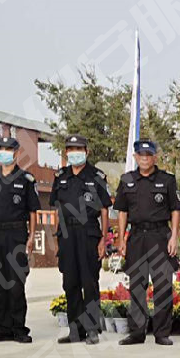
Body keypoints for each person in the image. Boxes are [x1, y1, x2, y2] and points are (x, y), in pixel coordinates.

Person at [113, 140, 180, 346]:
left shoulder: (167, 180)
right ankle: (137, 333)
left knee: (162, 285)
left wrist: (174, 236)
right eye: (141, 155)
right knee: (137, 286)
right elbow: (122, 211)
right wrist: (121, 239)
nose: (144, 159)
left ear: (155, 157)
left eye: (148, 155)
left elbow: (176, 209)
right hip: (136, 237)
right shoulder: (127, 180)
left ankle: (162, 333)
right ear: (135, 157)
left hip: (160, 236)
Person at [0, 136, 39, 344]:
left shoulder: (26, 180)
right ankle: (2, 329)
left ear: (16, 153)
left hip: (16, 235)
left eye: (8, 149)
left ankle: (19, 329)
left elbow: (33, 212)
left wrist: (31, 237)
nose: (3, 152)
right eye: (0, 149)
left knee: (15, 283)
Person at [50, 134, 113, 345]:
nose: (74, 153)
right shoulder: (60, 177)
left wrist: (103, 239)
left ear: (86, 152)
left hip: (88, 234)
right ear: (66, 152)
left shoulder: (97, 176)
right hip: (67, 235)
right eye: (70, 149)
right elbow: (57, 209)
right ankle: (75, 331)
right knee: (70, 283)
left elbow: (104, 210)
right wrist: (57, 238)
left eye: (78, 149)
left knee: (89, 282)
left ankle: (92, 329)